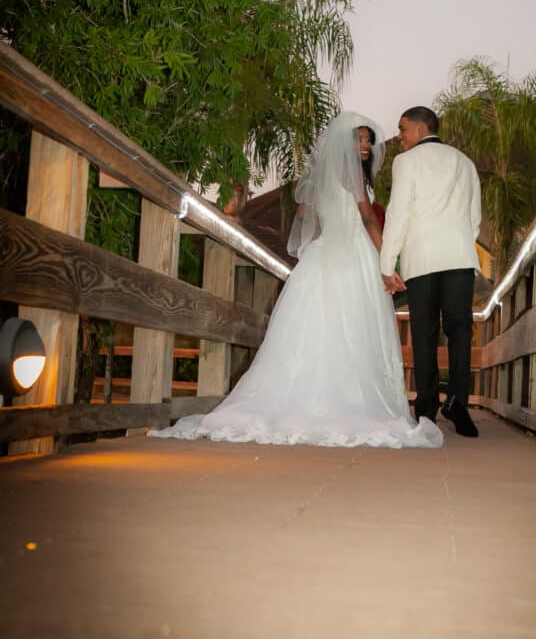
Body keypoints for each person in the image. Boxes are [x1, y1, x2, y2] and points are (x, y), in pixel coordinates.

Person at [149, 112, 442, 449]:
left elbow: (306, 215)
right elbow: (367, 219)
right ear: (343, 145)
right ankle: (345, 400)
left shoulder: (321, 179)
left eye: (368, 140)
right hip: (354, 256)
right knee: (353, 328)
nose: (367, 146)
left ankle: (310, 398)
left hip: (323, 255)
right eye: (360, 139)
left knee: (320, 330)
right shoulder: (353, 177)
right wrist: (386, 263)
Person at [380, 106, 482, 437]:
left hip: (421, 259)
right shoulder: (464, 162)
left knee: (424, 332)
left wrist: (387, 264)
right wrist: (462, 243)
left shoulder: (405, 162)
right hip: (460, 256)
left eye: (402, 129)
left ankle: (426, 408)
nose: (398, 136)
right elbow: (474, 217)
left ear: (422, 129)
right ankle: (457, 401)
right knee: (460, 329)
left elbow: (398, 213)